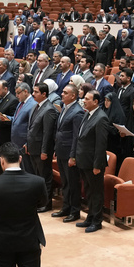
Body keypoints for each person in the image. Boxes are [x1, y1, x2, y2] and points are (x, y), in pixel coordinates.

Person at [74, 90, 110, 233]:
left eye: (87, 99)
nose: (83, 100)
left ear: (95, 101)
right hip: (84, 161)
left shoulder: (101, 118)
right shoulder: (87, 114)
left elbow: (101, 145)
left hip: (93, 163)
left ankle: (97, 221)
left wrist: (97, 165)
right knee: (88, 191)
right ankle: (90, 217)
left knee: (96, 193)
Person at [52, 84, 85, 222]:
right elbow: (60, 131)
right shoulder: (64, 108)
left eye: (65, 93)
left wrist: (73, 156)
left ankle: (75, 210)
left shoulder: (77, 112)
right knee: (65, 182)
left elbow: (76, 137)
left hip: (69, 153)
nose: (62, 94)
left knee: (73, 183)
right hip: (61, 151)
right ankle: (66, 207)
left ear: (73, 95)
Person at [24, 81, 58, 209]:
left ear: (44, 94)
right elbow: (30, 129)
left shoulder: (49, 109)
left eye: (36, 92)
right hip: (33, 147)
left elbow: (47, 133)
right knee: (37, 177)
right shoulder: (35, 106)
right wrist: (27, 144)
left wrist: (44, 151)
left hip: (42, 150)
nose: (33, 94)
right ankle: (39, 200)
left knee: (45, 177)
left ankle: (46, 203)